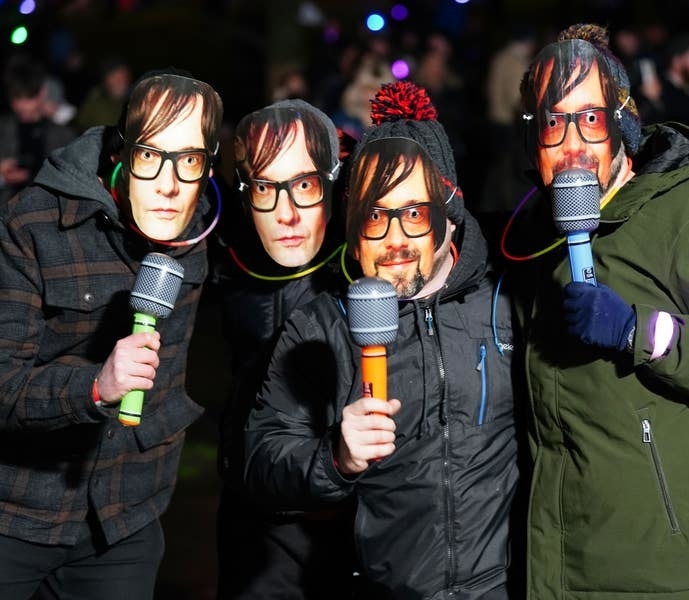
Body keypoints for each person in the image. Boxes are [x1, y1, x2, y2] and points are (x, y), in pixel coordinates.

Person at [511, 23, 689, 599]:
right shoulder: (534, 235)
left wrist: (642, 331)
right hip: (570, 567)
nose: (571, 144)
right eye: (552, 122)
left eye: (589, 119)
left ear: (621, 123)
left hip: (684, 573)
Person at [245, 81, 521, 599]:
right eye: (375, 216)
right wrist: (335, 459)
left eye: (415, 214)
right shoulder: (321, 326)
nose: (395, 240)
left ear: (448, 214)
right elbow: (261, 460)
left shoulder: (505, 301)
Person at [0, 70, 223, 599]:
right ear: (122, 153)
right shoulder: (33, 223)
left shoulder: (198, 227)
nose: (169, 183)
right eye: (151, 156)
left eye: (189, 160)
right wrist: (95, 386)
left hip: (125, 521)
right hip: (14, 514)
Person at [214, 99, 357, 599]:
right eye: (266, 188)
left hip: (357, 521)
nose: (287, 212)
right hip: (257, 519)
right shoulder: (222, 264)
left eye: (304, 185)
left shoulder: (369, 263)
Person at [0, 52, 76, 202]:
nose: (21, 106)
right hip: (7, 211)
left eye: (27, 98)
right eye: (16, 98)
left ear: (42, 93)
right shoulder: (3, 129)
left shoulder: (62, 132)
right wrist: (2, 175)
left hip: (49, 213)